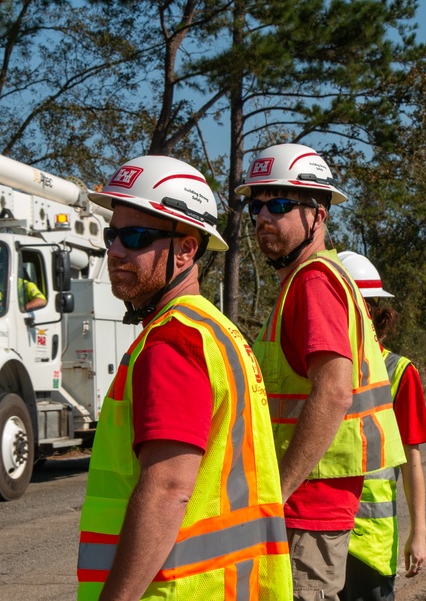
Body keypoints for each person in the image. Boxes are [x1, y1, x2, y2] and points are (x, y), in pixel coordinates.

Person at [77, 155, 292, 600]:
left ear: (187, 249)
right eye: (112, 234)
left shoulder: (173, 342)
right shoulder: (217, 330)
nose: (116, 250)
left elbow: (168, 491)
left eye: (136, 237)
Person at [238, 143, 406, 601]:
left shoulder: (313, 280)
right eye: (255, 205)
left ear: (320, 212)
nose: (262, 218)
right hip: (310, 505)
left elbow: (333, 393)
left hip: (305, 507)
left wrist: (277, 493)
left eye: (279, 204)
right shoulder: (310, 279)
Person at [338, 251, 426, 601]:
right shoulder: (313, 368)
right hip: (316, 530)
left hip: (369, 544)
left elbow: (412, 458)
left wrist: (418, 531)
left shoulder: (398, 372)